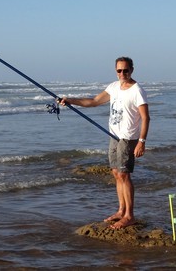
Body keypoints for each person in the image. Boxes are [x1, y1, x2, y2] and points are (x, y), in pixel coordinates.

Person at [59, 56, 150, 229]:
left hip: (128, 137)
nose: (122, 73)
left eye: (125, 70)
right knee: (116, 173)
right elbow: (93, 102)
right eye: (119, 70)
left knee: (124, 174)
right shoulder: (114, 87)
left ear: (132, 70)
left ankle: (130, 215)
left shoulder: (137, 90)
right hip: (113, 135)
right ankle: (121, 210)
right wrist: (70, 100)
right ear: (115, 71)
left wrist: (141, 142)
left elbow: (146, 118)